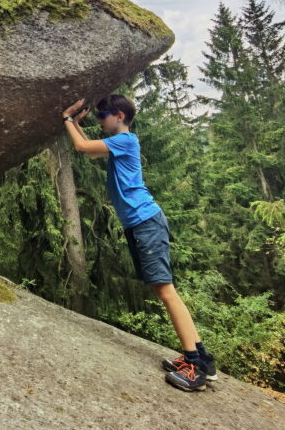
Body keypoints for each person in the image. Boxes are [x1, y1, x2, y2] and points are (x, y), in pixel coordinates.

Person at [60, 94, 217, 391]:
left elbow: (82, 147)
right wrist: (77, 125)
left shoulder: (126, 140)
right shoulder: (120, 144)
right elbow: (91, 151)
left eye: (102, 115)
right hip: (140, 223)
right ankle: (203, 359)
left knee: (165, 290)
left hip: (146, 222)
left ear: (119, 116)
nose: (99, 121)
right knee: (164, 289)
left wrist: (67, 119)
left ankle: (195, 365)